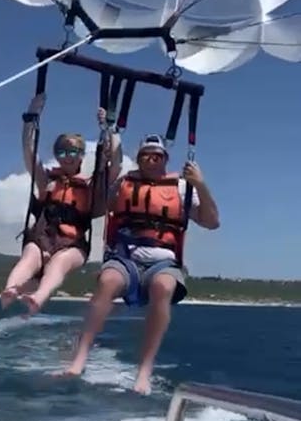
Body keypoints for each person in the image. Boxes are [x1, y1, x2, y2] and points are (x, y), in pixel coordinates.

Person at [57, 133, 220, 393]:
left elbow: (212, 222)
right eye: (145, 155)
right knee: (108, 282)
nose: (151, 160)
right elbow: (97, 205)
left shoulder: (181, 187)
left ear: (165, 159)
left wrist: (200, 185)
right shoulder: (124, 184)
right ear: (139, 159)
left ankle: (144, 371)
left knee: (164, 288)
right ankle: (79, 359)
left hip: (163, 261)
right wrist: (106, 160)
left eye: (157, 155)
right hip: (125, 256)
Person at [1, 94, 119, 314]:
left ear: (82, 155)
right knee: (30, 257)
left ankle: (38, 297)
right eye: (62, 152)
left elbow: (113, 165)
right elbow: (29, 153)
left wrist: (108, 128)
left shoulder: (91, 187)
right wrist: (30, 120)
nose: (67, 157)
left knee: (59, 265)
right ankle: (11, 288)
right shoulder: (47, 181)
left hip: (73, 245)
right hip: (42, 238)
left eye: (73, 152)